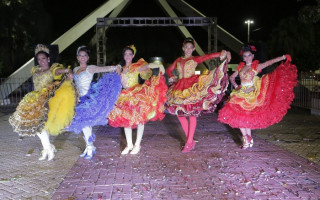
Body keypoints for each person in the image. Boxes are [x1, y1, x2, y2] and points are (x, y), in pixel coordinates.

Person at [218, 44, 297, 149]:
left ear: (253, 55)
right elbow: (232, 77)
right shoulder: (240, 67)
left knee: (246, 116)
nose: (247, 58)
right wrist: (237, 86)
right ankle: (247, 138)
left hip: (252, 94)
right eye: (245, 56)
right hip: (241, 93)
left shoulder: (256, 66)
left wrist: (283, 57)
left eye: (249, 55)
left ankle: (247, 139)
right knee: (236, 112)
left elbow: (269, 62)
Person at [9, 44, 76, 161]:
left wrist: (68, 70)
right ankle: (49, 148)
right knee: (36, 127)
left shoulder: (53, 69)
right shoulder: (35, 70)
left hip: (46, 100)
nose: (41, 61)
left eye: (43, 58)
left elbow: (60, 71)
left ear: (48, 59)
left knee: (40, 126)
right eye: (39, 59)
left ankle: (48, 150)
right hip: (34, 99)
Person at [166, 37, 231, 153]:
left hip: (192, 87)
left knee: (192, 114)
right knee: (180, 114)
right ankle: (190, 141)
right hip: (179, 88)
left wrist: (221, 53)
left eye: (191, 48)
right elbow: (169, 70)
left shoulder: (195, 59)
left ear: (193, 49)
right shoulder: (178, 60)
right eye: (186, 47)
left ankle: (189, 142)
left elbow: (208, 56)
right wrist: (173, 77)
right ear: (183, 48)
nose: (188, 50)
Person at [108, 45, 167, 155]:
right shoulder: (120, 68)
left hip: (136, 95)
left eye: (130, 54)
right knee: (126, 120)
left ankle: (137, 144)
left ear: (133, 55)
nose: (128, 56)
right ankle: (129, 144)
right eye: (126, 54)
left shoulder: (137, 67)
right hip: (123, 95)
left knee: (140, 118)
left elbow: (149, 65)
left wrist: (159, 66)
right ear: (123, 55)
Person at [66, 45, 122, 159]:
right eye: (80, 55)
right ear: (77, 57)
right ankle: (89, 146)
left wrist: (118, 66)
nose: (82, 57)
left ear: (88, 57)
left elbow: (106, 68)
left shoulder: (90, 68)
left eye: (85, 55)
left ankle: (90, 147)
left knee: (85, 124)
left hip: (88, 100)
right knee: (85, 124)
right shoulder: (76, 69)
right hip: (78, 100)